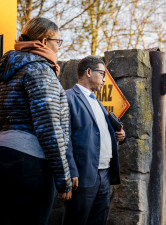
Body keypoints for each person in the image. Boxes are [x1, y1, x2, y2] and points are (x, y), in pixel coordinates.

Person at [0, 17, 72, 225]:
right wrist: (63, 179)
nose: (58, 48)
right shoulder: (40, 70)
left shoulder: (6, 71)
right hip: (29, 163)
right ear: (42, 42)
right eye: (57, 42)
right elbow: (49, 127)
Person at [64, 55, 126, 225]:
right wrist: (71, 171)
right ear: (89, 72)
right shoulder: (68, 98)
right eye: (102, 74)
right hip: (83, 176)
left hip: (104, 175)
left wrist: (119, 136)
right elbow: (64, 138)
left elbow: (98, 133)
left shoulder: (97, 102)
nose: (105, 80)